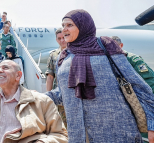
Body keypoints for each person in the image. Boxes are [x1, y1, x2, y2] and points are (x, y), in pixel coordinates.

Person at [45, 9, 154, 143]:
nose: (64, 29)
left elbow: (139, 86)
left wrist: (152, 126)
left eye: (69, 25)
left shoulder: (105, 46)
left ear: (83, 25)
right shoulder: (64, 57)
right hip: (79, 135)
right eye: (63, 26)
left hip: (117, 132)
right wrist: (35, 97)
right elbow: (64, 92)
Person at [45, 28, 68, 128]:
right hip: (59, 95)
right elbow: (50, 77)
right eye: (59, 38)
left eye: (64, 37)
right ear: (56, 40)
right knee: (60, 124)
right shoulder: (53, 55)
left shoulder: (76, 53)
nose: (62, 40)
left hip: (73, 95)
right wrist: (47, 96)